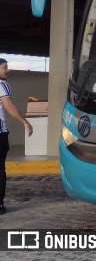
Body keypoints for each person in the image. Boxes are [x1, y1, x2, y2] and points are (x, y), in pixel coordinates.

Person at [0, 58, 33, 215]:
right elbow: (8, 105)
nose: (8, 70)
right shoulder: (2, 85)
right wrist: (24, 122)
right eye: (5, 67)